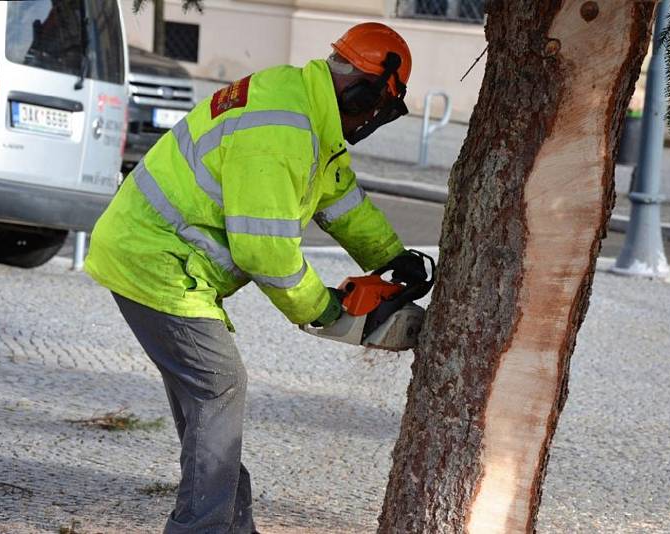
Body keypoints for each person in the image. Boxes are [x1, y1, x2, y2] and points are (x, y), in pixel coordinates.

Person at [85, 21, 427, 534]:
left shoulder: (305, 104)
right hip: (155, 260)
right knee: (219, 389)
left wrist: (389, 255)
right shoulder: (282, 129)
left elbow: (337, 195)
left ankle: (231, 526)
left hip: (158, 257)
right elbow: (265, 251)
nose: (375, 119)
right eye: (380, 107)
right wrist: (329, 312)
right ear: (363, 90)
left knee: (209, 407)